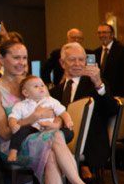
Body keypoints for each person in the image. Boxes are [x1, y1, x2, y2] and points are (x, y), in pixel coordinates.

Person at [0, 39, 108, 184]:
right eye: (16, 58)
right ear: (1, 59)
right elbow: (5, 133)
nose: (21, 63)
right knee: (52, 140)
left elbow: (53, 111)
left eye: (24, 58)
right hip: (14, 147)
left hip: (44, 139)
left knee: (52, 147)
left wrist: (58, 122)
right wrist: (32, 118)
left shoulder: (35, 82)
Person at [50, 42, 117, 177]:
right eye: (72, 60)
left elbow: (112, 110)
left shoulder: (95, 84)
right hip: (61, 140)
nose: (77, 64)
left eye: (81, 60)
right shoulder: (54, 92)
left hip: (90, 142)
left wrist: (99, 84)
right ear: (62, 63)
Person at [7, 76, 72, 162]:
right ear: (26, 93)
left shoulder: (51, 101)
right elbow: (13, 117)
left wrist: (68, 120)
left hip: (51, 128)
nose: (41, 87)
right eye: (36, 86)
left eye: (42, 85)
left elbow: (62, 112)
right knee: (20, 131)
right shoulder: (21, 105)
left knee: (69, 132)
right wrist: (13, 125)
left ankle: (53, 132)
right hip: (33, 129)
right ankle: (13, 151)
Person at [94, 23, 124, 99]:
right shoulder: (96, 52)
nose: (102, 35)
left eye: (105, 32)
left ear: (112, 34)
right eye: (99, 33)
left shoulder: (123, 50)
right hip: (100, 97)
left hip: (118, 96)